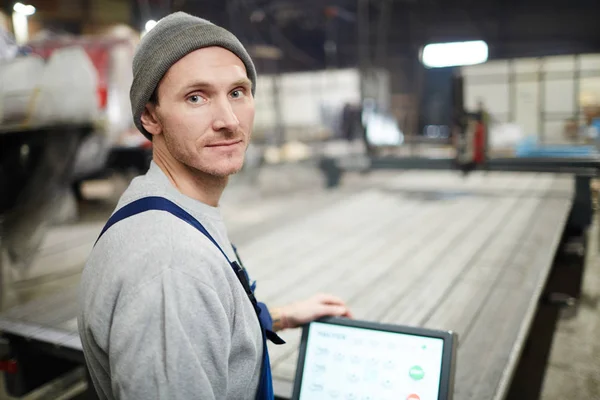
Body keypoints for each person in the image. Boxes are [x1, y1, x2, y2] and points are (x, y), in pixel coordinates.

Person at [78, 12, 352, 400]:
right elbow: (177, 299)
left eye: (237, 92)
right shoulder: (171, 268)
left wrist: (278, 317)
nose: (228, 121)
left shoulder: (159, 206)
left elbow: (192, 323)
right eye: (196, 97)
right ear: (149, 116)